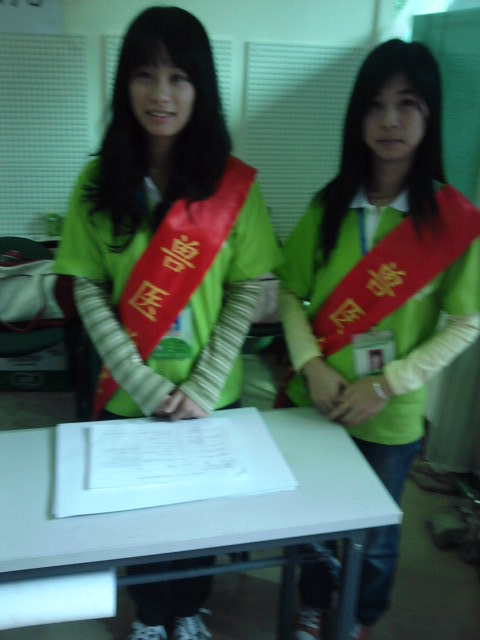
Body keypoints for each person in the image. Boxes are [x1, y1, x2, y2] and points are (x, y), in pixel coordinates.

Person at [54, 6, 280, 640]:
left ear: (200, 88)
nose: (161, 94)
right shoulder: (98, 181)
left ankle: (189, 610)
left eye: (179, 76)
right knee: (140, 520)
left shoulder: (232, 185)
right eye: (145, 75)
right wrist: (142, 382)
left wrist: (203, 384)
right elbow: (88, 289)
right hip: (129, 394)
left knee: (199, 521)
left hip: (211, 396)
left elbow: (246, 290)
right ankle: (152, 617)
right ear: (124, 84)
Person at [276, 39, 480, 640]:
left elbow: (467, 321)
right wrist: (312, 365)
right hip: (320, 402)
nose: (390, 120)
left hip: (391, 417)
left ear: (430, 114)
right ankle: (313, 606)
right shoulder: (329, 206)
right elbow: (290, 293)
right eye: (375, 105)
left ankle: (358, 618)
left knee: (378, 533)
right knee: (313, 520)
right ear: (357, 116)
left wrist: (388, 384)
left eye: (407, 103)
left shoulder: (450, 221)